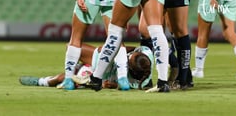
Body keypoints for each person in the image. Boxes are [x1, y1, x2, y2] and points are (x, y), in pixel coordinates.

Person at [19, 43, 153, 90]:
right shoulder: (146, 53)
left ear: (130, 70)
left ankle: (41, 82)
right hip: (103, 59)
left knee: (63, 78)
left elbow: (110, 84)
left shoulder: (134, 82)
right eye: (130, 55)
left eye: (128, 60)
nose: (128, 56)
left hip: (103, 73)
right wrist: (113, 50)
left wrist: (110, 85)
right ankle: (79, 68)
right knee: (72, 47)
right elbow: (129, 48)